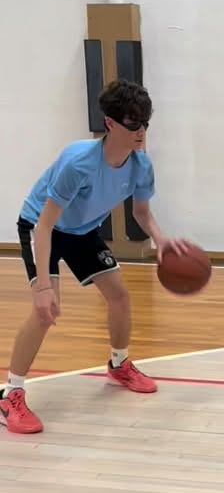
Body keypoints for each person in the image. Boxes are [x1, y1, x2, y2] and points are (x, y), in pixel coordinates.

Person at [0, 78, 188, 435]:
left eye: (146, 122)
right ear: (110, 123)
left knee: (119, 295)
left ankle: (118, 365)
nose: (141, 131)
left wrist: (160, 241)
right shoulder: (79, 163)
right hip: (42, 225)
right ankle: (11, 395)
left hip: (82, 230)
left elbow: (142, 212)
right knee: (46, 311)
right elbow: (44, 226)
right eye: (133, 123)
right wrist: (42, 288)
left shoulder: (141, 166)